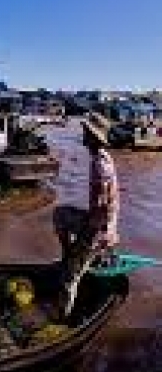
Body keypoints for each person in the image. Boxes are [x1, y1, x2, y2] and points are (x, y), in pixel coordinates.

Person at [54, 118, 120, 316]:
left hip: (95, 226)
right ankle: (72, 258)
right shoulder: (93, 157)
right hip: (87, 219)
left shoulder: (101, 165)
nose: (83, 135)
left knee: (69, 277)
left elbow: (106, 205)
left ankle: (62, 318)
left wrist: (104, 233)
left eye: (87, 133)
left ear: (94, 138)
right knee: (60, 216)